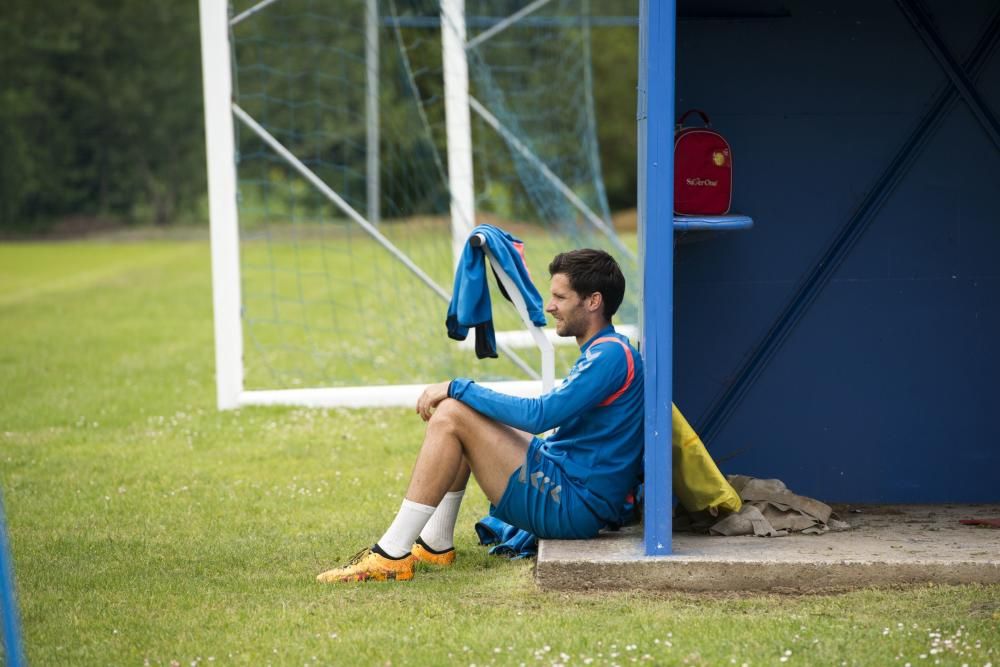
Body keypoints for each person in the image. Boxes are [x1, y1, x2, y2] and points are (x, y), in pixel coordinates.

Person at [317, 248, 644, 583]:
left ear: (593, 302)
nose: (550, 306)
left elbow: (541, 415)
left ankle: (391, 555)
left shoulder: (611, 356)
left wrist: (459, 387)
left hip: (574, 507)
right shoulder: (608, 351)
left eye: (560, 297)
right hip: (571, 487)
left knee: (454, 414)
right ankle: (434, 544)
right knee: (460, 414)